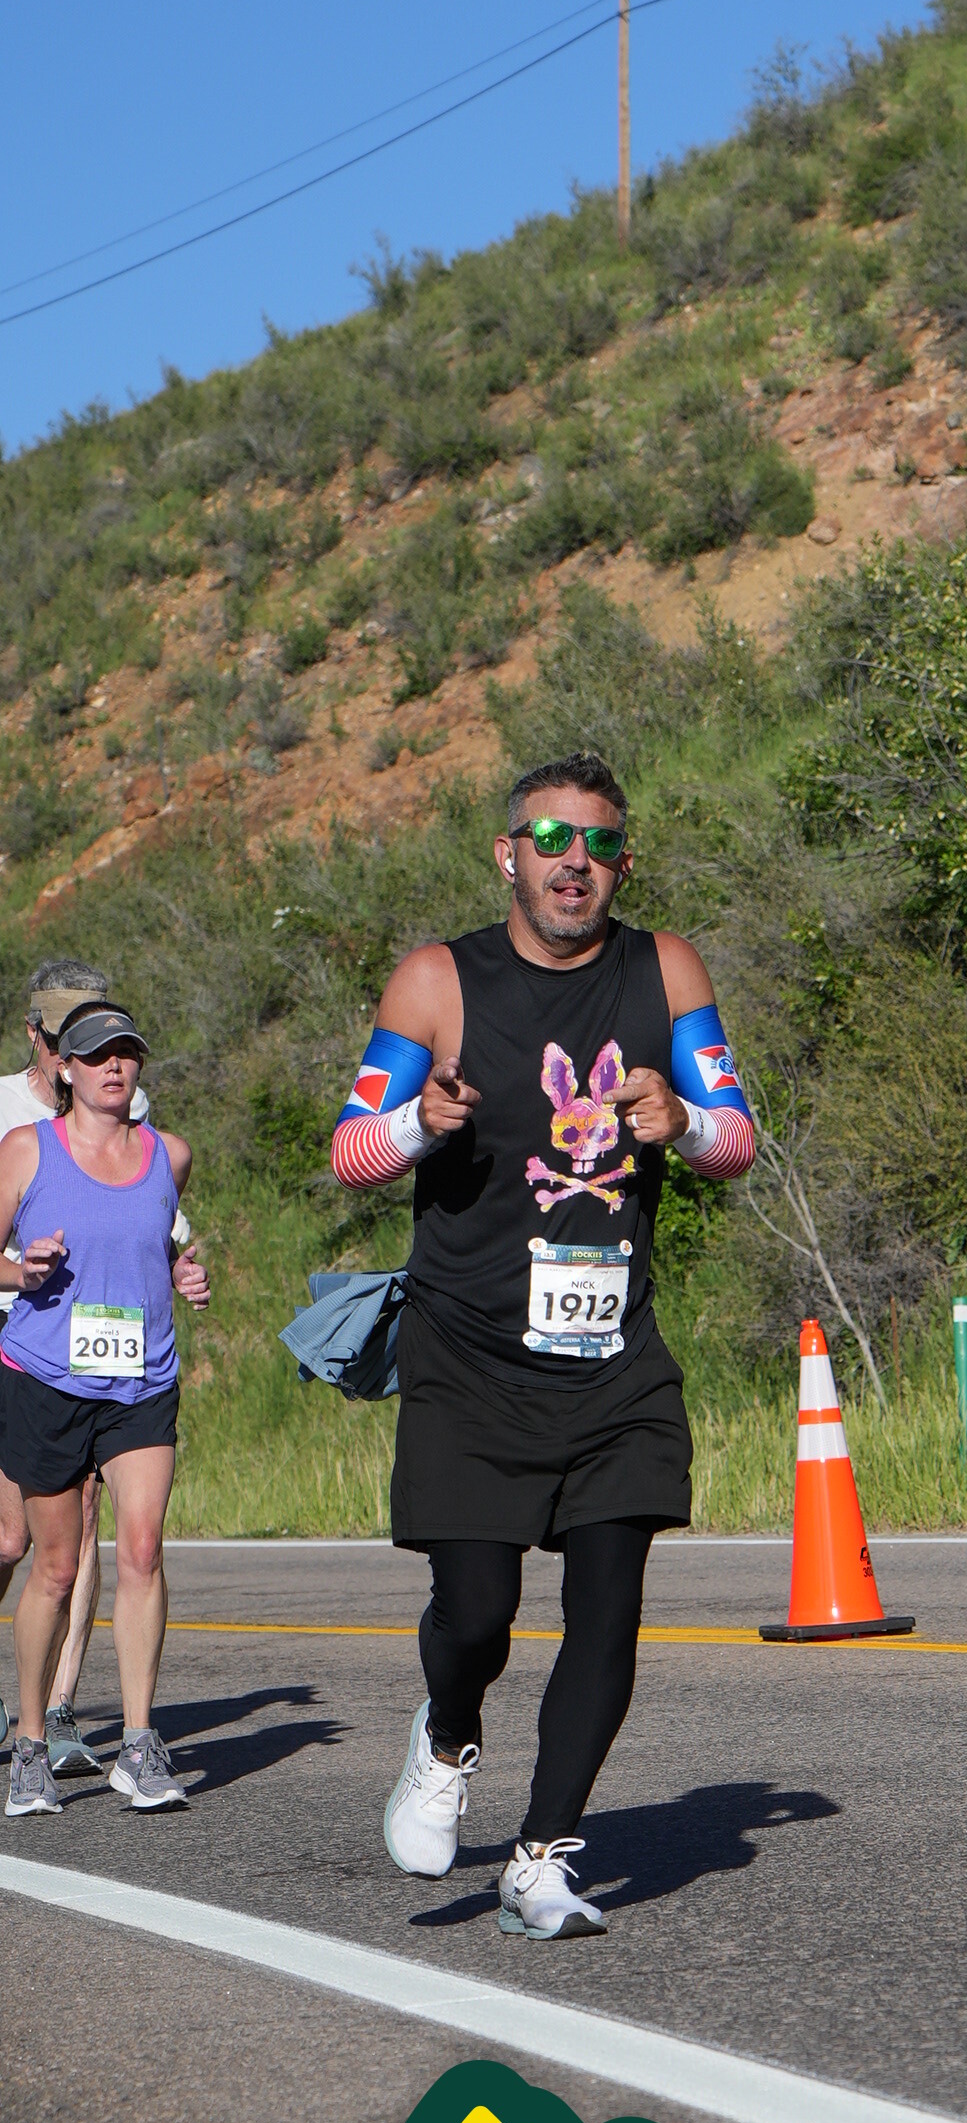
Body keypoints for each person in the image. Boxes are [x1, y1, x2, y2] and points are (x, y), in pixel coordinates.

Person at [332, 750, 756, 1940]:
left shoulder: (665, 970)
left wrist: (687, 1120)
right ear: (507, 855)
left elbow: (736, 1141)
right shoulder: (436, 981)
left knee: (608, 1606)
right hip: (468, 1356)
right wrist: (418, 1123)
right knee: (476, 1612)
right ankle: (446, 1734)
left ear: (623, 861)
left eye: (601, 843)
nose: (578, 863)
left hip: (615, 1359)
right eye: (553, 840)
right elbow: (350, 1151)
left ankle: (541, 1853)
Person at [0, 1000, 208, 1818]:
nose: (114, 1066)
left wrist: (183, 1272)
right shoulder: (28, 1149)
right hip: (48, 1377)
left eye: (126, 1052)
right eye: (95, 1055)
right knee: (55, 1567)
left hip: (141, 1380)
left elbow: (156, 1240)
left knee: (143, 1550)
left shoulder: (169, 1154)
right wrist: (21, 1271)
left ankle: (140, 1742)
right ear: (65, 1069)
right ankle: (28, 1742)